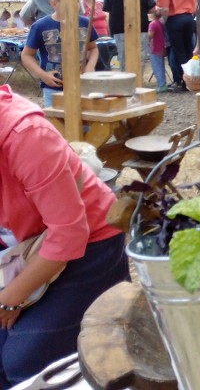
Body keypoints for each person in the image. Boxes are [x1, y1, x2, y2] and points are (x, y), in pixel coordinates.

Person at [0, 85, 130, 387]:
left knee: (22, 360)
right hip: (30, 245)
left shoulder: (26, 135)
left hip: (91, 243)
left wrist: (9, 301)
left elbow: (69, 234)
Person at [21, 0, 99, 107]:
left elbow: (93, 48)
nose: (75, 7)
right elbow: (26, 55)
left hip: (82, 85)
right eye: (69, 4)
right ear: (54, 4)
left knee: (84, 123)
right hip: (54, 87)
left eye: (77, 2)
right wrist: (43, 75)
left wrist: (90, 66)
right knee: (57, 123)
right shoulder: (41, 25)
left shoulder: (84, 23)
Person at [156, 0, 197, 92]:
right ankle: (193, 79)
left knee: (179, 51)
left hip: (175, 19)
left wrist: (165, 21)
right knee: (189, 48)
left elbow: (164, 8)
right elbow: (195, 1)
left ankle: (183, 81)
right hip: (189, 17)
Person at [101, 0, 156, 72]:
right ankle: (138, 80)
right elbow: (152, 9)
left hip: (119, 28)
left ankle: (125, 79)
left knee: (123, 57)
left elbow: (107, 9)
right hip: (140, 27)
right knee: (140, 56)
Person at [148, 7, 168, 92]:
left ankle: (161, 84)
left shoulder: (153, 24)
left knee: (157, 66)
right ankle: (163, 83)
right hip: (161, 47)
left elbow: (150, 35)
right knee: (161, 65)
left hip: (154, 47)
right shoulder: (161, 23)